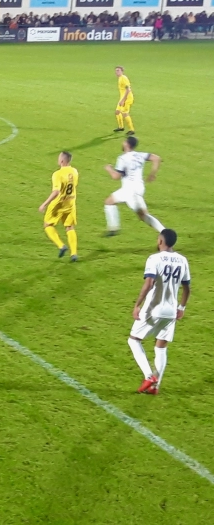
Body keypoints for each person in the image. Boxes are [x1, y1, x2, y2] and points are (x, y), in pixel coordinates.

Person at [128, 229, 190, 395]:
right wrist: (181, 308)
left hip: (153, 309)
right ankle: (155, 387)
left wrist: (137, 305)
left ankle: (149, 376)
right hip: (171, 311)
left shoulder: (154, 258)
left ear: (161, 241)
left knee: (134, 340)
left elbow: (148, 284)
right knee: (161, 347)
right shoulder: (183, 260)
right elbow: (187, 288)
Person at [104, 136, 163, 236]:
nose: (122, 143)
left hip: (130, 191)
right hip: (137, 187)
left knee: (144, 215)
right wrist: (152, 174)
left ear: (127, 144)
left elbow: (116, 176)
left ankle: (164, 232)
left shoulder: (122, 158)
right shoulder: (140, 155)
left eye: (124, 142)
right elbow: (156, 158)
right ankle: (113, 228)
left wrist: (109, 169)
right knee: (109, 202)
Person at [38, 151, 79, 262]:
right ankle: (74, 253)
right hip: (71, 202)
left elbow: (56, 192)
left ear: (61, 161)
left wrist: (44, 204)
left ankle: (61, 246)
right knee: (69, 227)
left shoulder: (57, 174)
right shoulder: (75, 171)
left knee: (48, 225)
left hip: (59, 203)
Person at [114, 66, 134, 134]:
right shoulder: (120, 78)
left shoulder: (123, 78)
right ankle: (121, 127)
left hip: (127, 98)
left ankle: (132, 130)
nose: (116, 72)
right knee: (117, 112)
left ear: (122, 71)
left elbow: (128, 90)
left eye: (118, 70)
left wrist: (123, 100)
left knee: (125, 113)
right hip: (122, 98)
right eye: (116, 71)